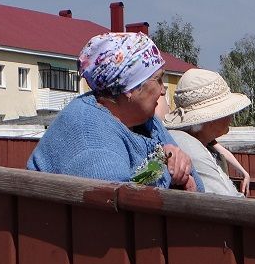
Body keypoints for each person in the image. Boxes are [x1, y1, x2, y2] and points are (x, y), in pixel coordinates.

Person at [28, 33, 202, 191]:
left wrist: (179, 164)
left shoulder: (144, 120)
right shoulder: (91, 138)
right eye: (158, 80)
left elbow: (198, 186)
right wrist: (166, 165)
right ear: (130, 88)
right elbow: (116, 203)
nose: (163, 90)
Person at [164, 68, 251, 197]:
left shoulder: (201, 143)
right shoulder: (191, 147)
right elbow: (227, 199)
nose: (231, 116)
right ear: (210, 120)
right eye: (227, 112)